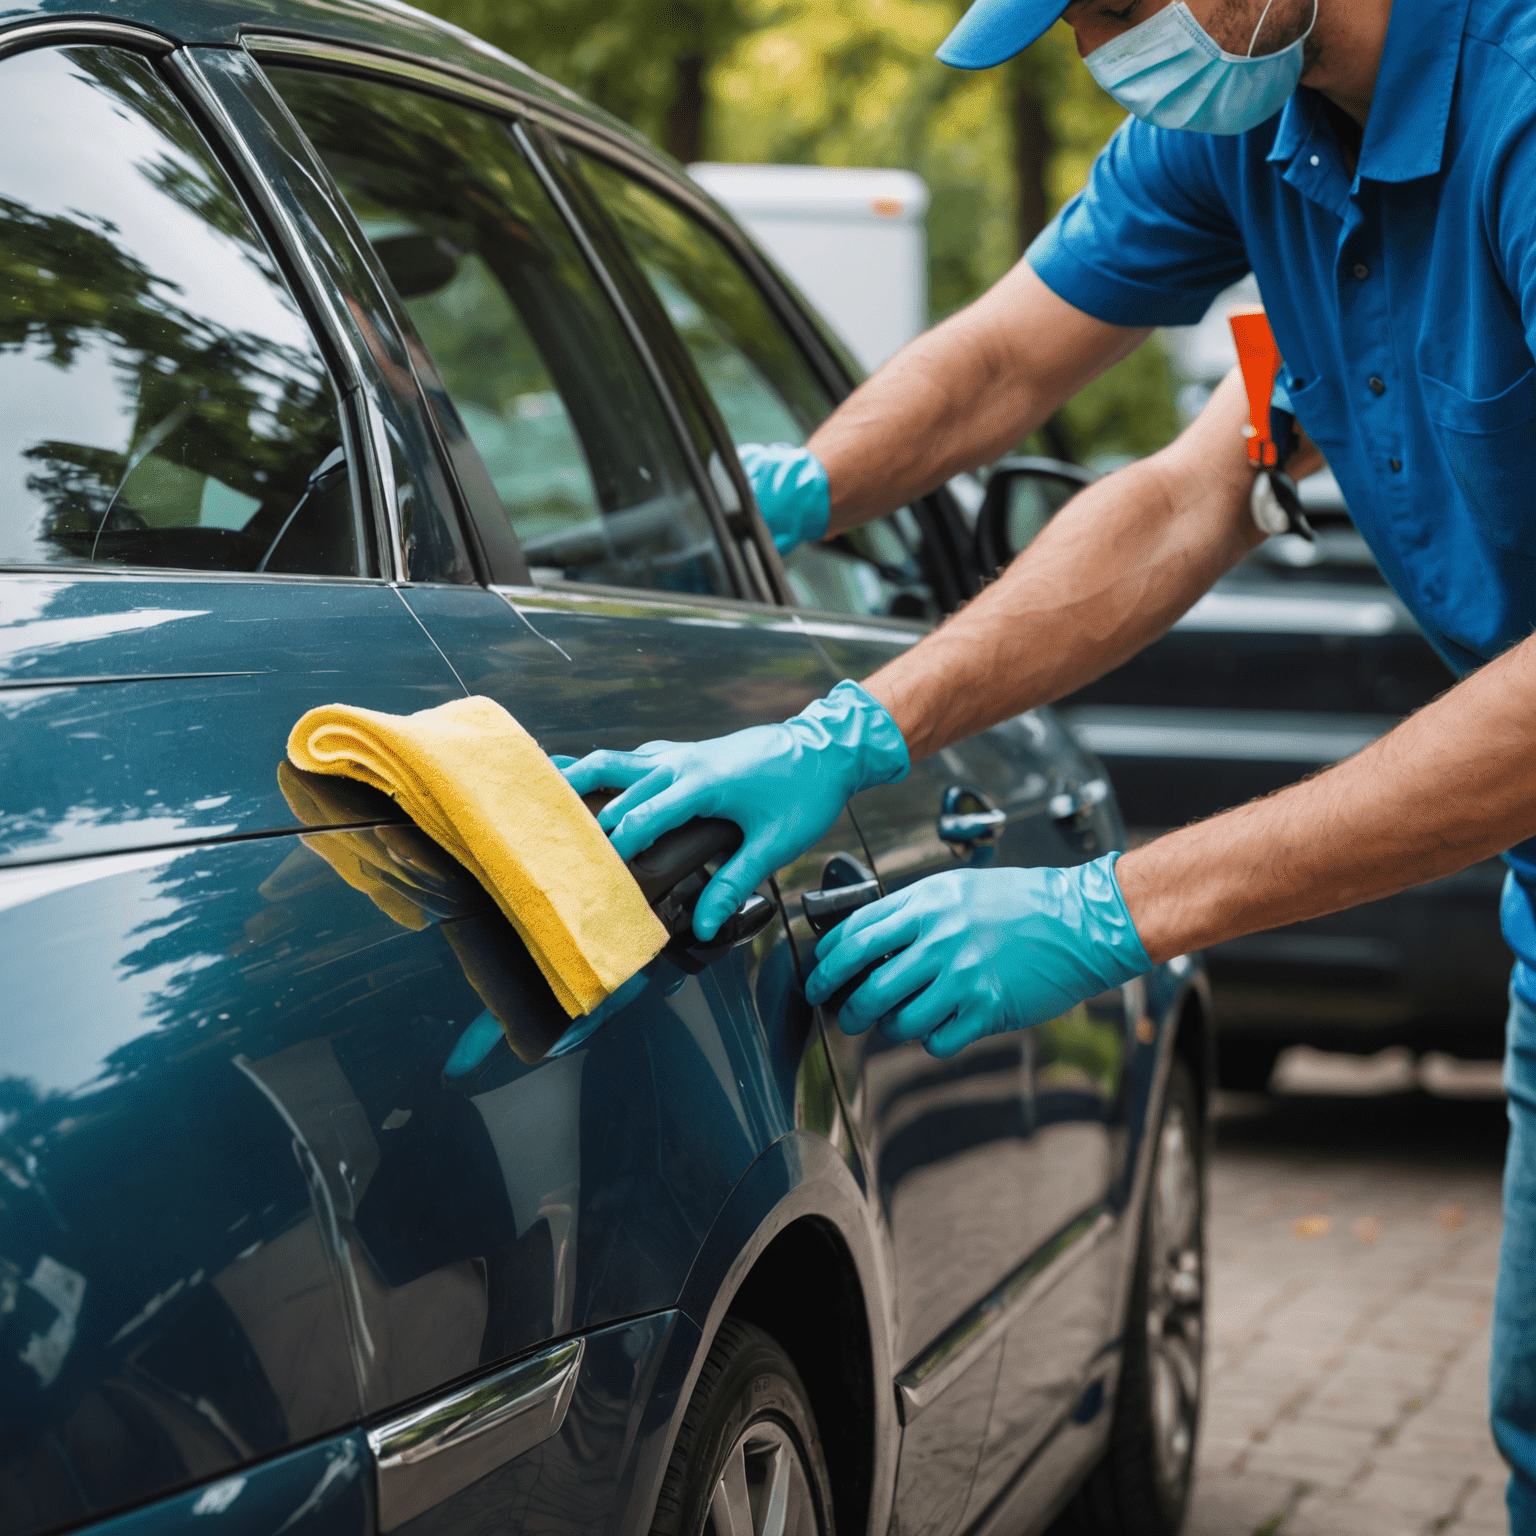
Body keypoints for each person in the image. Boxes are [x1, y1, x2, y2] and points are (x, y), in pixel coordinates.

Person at [563, 0, 1536, 1521]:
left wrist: (1112, 911)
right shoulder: (1256, 133)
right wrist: (835, 666)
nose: (1097, 46)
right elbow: (1135, 444)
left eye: (1110, 3)